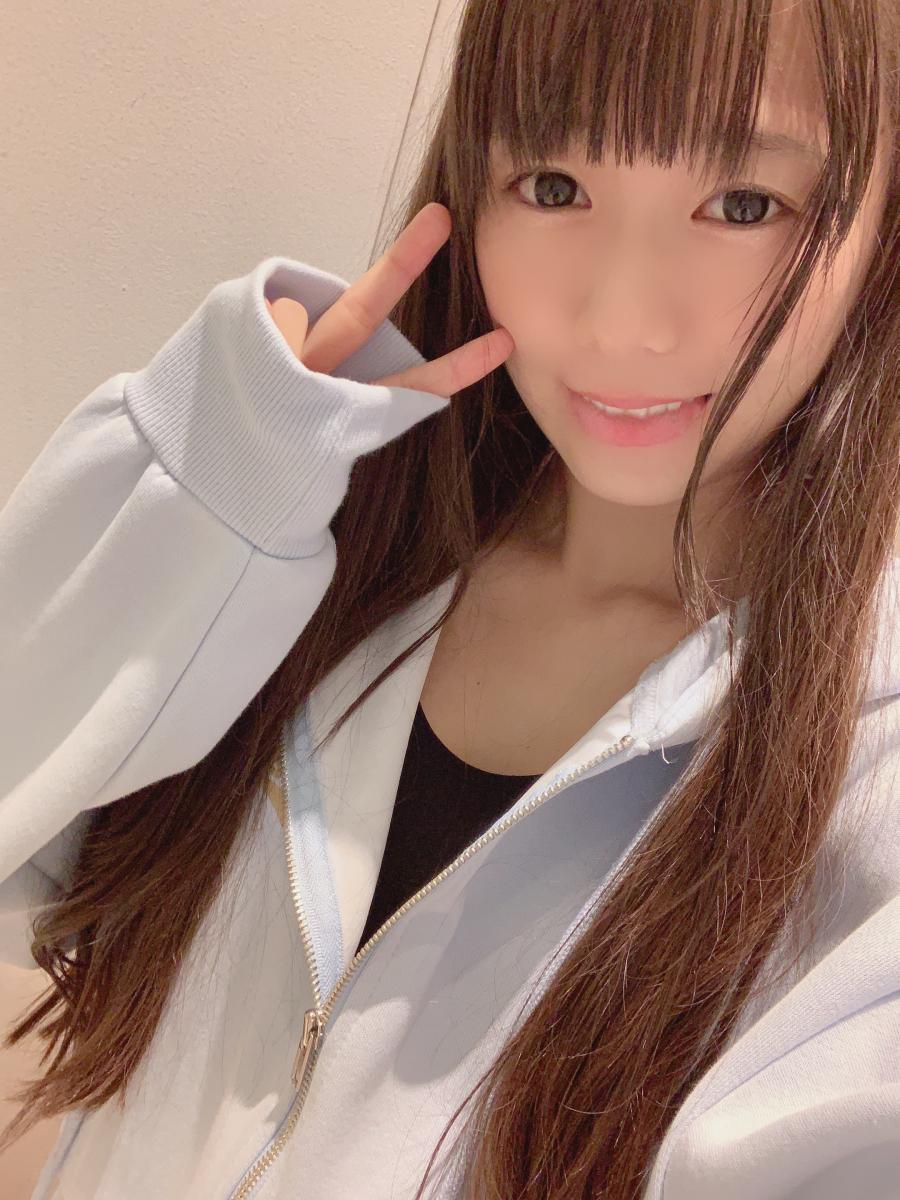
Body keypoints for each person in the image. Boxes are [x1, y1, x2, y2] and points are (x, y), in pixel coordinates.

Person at [1, 0, 897, 1196]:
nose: (621, 322)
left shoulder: (867, 759)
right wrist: (212, 489)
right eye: (553, 186)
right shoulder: (339, 544)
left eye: (743, 205)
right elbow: (34, 855)